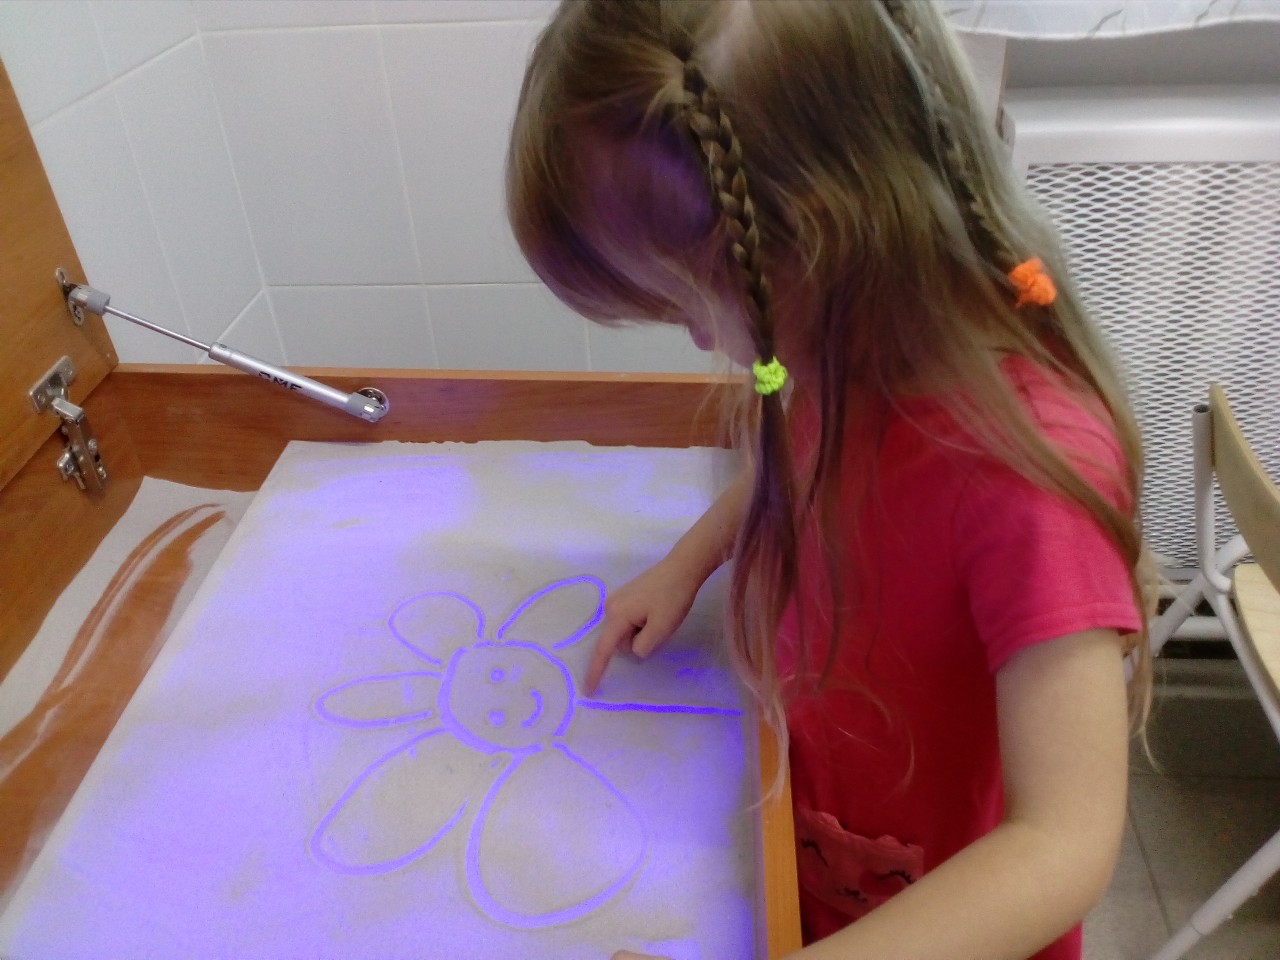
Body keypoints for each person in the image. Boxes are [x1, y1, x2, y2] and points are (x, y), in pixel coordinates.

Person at [506, 2, 1154, 958]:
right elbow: (794, 461)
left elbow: (1062, 843)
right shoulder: (845, 356)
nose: (698, 337)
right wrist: (687, 562)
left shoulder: (1027, 485)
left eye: (689, 303)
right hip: (821, 858)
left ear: (817, 241)